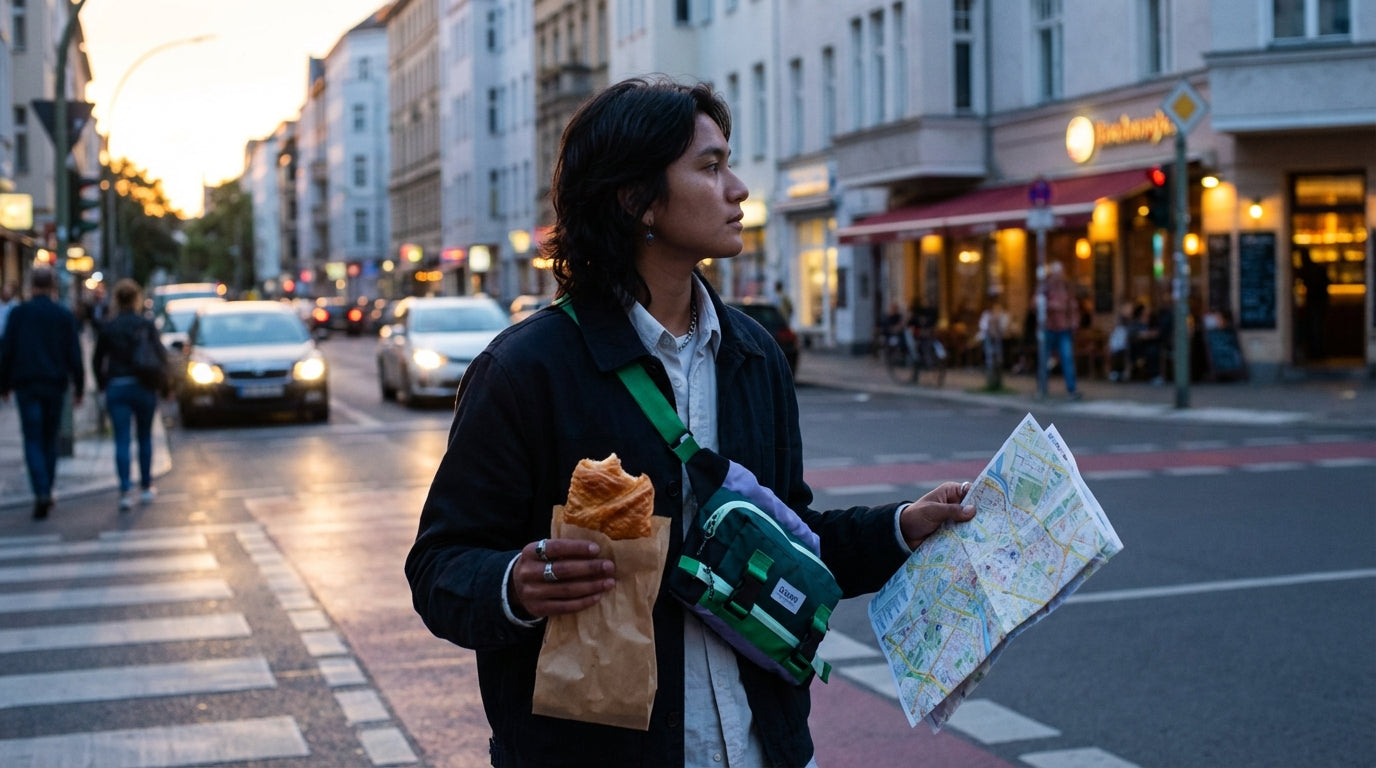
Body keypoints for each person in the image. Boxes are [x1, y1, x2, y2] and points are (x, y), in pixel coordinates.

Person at [405, 77, 977, 768]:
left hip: (761, 744)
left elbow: (784, 538)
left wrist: (899, 528)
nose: (737, 188)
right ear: (635, 197)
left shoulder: (752, 356)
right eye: (709, 166)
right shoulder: (527, 371)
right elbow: (440, 566)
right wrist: (515, 583)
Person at [0, 266, 85, 519]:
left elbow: (6, 351)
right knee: (50, 438)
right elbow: (75, 354)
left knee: (33, 438)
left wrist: (3, 385)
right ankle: (46, 487)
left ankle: (41, 490)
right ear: (52, 287)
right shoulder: (62, 314)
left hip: (27, 385)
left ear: (31, 286)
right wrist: (79, 387)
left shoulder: (19, 314)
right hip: (54, 384)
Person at [92, 278, 167, 511]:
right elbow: (161, 356)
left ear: (116, 299)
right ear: (136, 299)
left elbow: (97, 360)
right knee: (145, 437)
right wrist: (165, 386)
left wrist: (103, 384)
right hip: (143, 386)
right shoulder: (145, 325)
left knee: (121, 440)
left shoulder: (109, 326)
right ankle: (146, 487)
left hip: (118, 386)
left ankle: (125, 490)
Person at [1042, 260, 1081, 399]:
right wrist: (1051, 305)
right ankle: (1043, 388)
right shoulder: (1045, 288)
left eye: (1060, 274)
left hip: (1064, 328)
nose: (1059, 277)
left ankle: (1072, 389)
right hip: (1049, 328)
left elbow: (1073, 306)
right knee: (1044, 359)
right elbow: (1036, 304)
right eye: (1056, 274)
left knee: (1067, 357)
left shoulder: (1066, 288)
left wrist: (1074, 322)